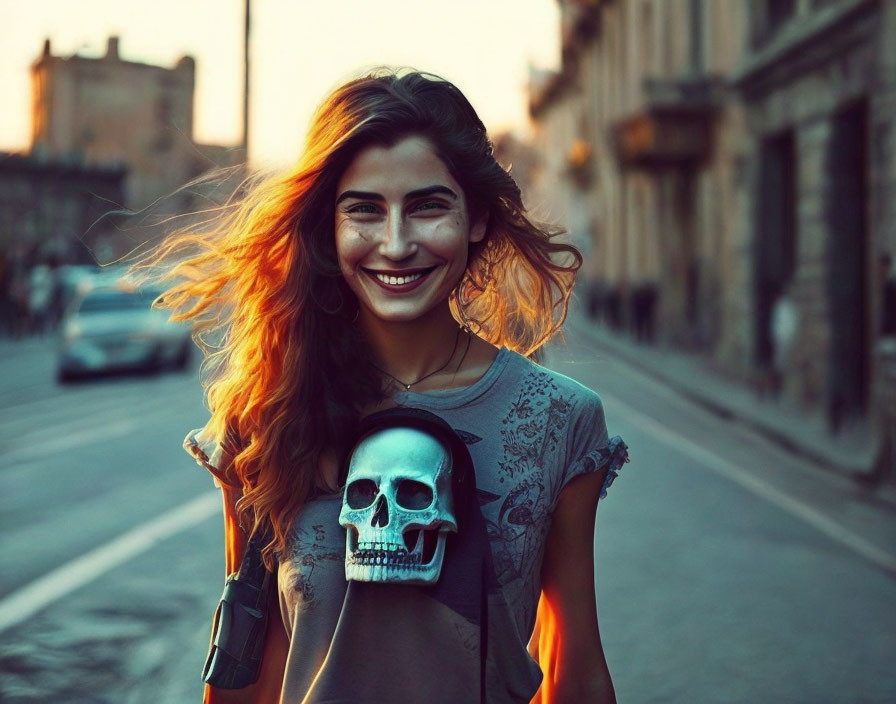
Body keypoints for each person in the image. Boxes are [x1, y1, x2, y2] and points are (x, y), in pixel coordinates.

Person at [142, 69, 630, 704]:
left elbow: (576, 674)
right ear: (329, 228)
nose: (396, 244)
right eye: (364, 210)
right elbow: (245, 669)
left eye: (427, 206)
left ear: (476, 217)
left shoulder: (561, 419)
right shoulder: (264, 415)